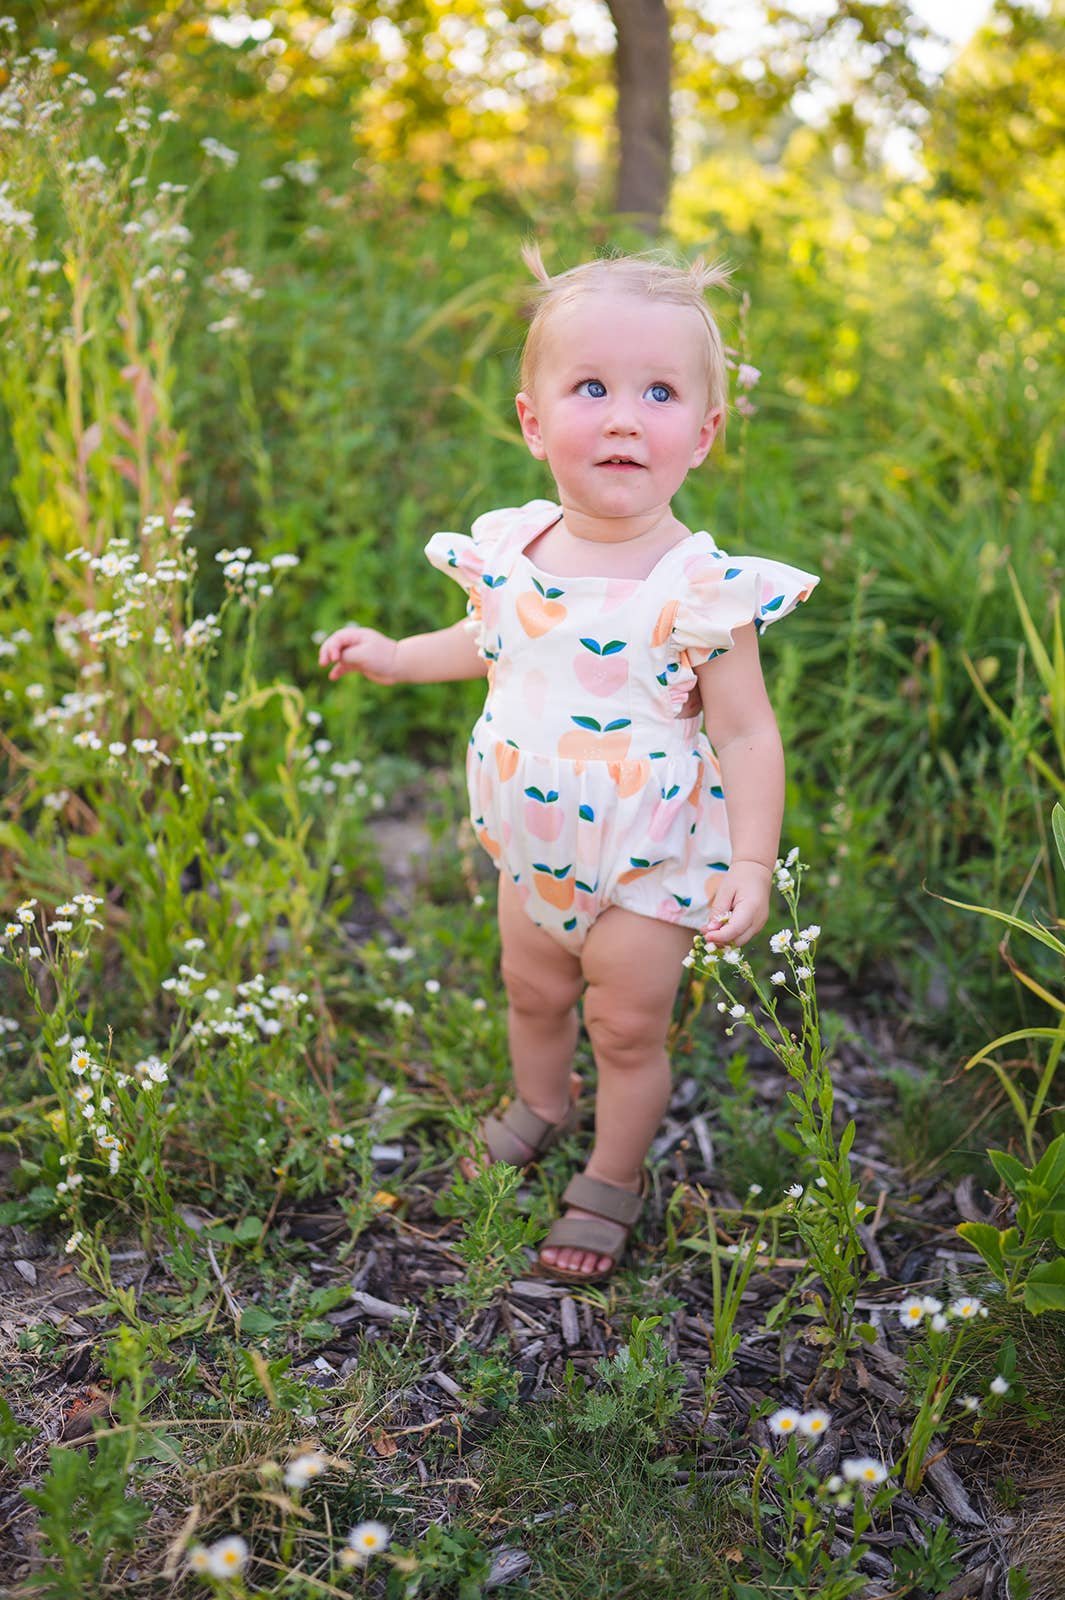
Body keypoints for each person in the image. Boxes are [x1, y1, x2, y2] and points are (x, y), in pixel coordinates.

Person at [319, 246, 817, 1281]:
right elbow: (498, 643)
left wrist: (753, 864)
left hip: (643, 857)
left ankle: (613, 1175)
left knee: (623, 1024)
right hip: (528, 841)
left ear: (705, 433)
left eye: (660, 392)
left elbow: (745, 734)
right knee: (531, 991)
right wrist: (400, 657)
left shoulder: (700, 590)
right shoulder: (516, 548)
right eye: (592, 387)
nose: (625, 416)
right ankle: (542, 1099)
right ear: (534, 420)